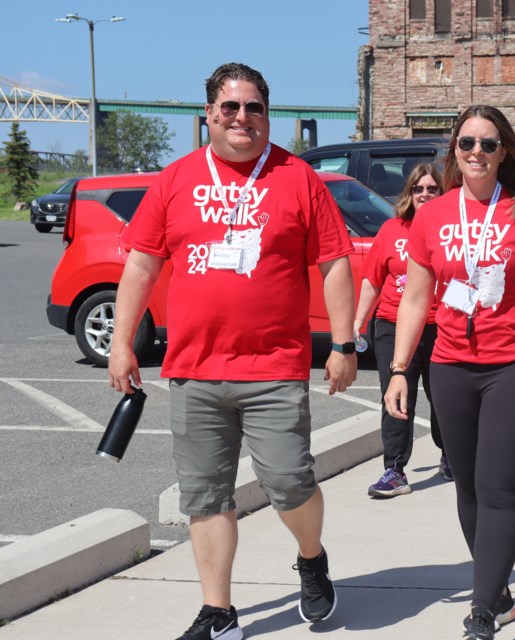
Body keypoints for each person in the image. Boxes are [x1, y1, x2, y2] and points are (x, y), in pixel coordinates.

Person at [107, 63, 358, 640]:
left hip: (274, 366)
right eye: (230, 107)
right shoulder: (175, 180)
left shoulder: (299, 179)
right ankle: (218, 611)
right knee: (204, 494)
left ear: (268, 116)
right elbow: (141, 265)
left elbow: (335, 263)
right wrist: (122, 343)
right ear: (209, 116)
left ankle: (311, 557)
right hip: (194, 369)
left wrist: (343, 343)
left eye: (253, 108)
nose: (241, 118)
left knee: (290, 481)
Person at [383, 105, 515, 639]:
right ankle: (496, 588)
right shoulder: (432, 215)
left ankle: (481, 611)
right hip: (452, 364)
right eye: (466, 143)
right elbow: (414, 298)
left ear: (506, 152)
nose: (476, 153)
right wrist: (400, 368)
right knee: (469, 490)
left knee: (499, 488)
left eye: (488, 144)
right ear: (455, 150)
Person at [355, 163, 449, 498]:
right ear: (408, 194)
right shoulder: (392, 229)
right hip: (394, 326)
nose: (424, 194)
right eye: (418, 189)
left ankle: (450, 455)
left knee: (445, 398)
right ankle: (394, 470)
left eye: (432, 188)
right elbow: (372, 279)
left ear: (443, 192)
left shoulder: (452, 229)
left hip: (442, 326)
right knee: (396, 397)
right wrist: (357, 322)